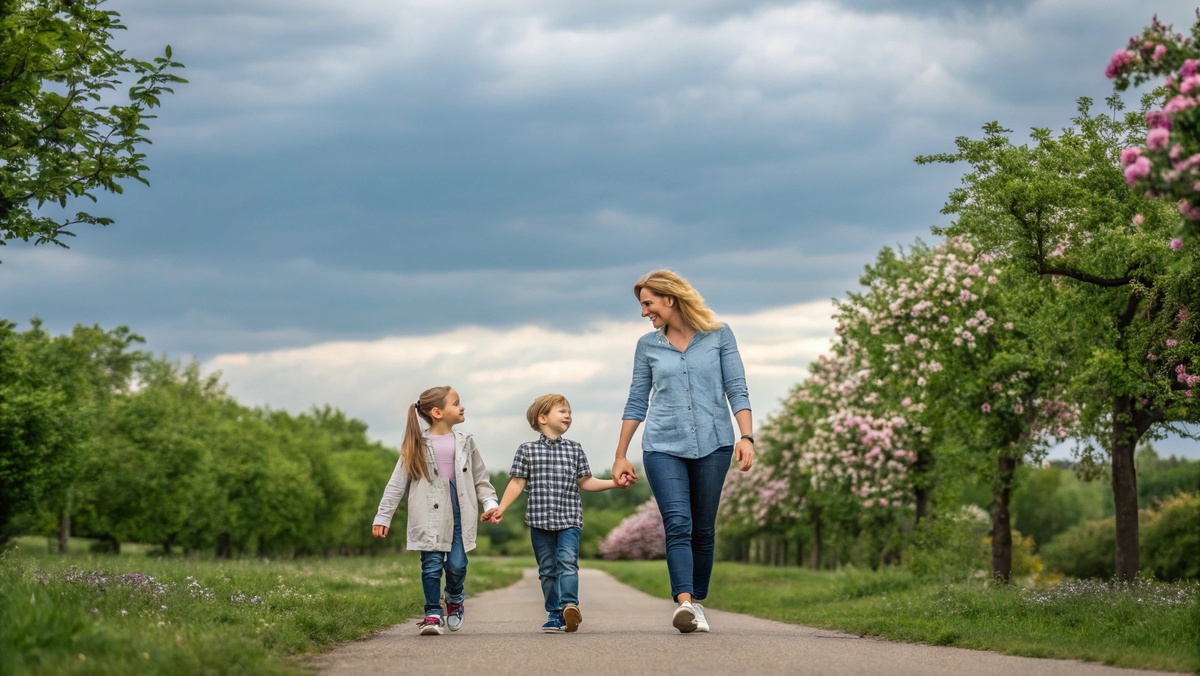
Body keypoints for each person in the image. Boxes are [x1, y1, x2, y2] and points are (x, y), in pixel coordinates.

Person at [611, 269, 755, 634]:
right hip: (663, 445)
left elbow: (736, 387)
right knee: (678, 523)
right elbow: (636, 399)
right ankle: (685, 603)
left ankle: (698, 602)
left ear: (670, 299)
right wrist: (621, 454)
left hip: (715, 443)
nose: (644, 312)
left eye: (648, 303)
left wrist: (746, 436)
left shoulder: (719, 335)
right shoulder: (648, 346)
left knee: (703, 529)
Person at [487, 393, 621, 633]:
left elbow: (586, 482)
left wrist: (614, 483)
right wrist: (501, 508)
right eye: (562, 411)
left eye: (569, 412)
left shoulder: (575, 449)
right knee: (547, 569)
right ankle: (554, 613)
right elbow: (517, 483)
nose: (568, 415)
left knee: (567, 563)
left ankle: (570, 605)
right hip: (539, 521)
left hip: (569, 519)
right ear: (543, 418)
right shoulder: (526, 450)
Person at [372, 386, 499, 636]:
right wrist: (383, 516)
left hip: (461, 513)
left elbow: (480, 479)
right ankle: (432, 613)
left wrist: (491, 504)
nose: (462, 407)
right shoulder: (416, 444)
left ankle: (454, 596)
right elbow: (396, 485)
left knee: (457, 566)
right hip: (428, 516)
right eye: (456, 403)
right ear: (437, 412)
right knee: (431, 566)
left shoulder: (466, 442)